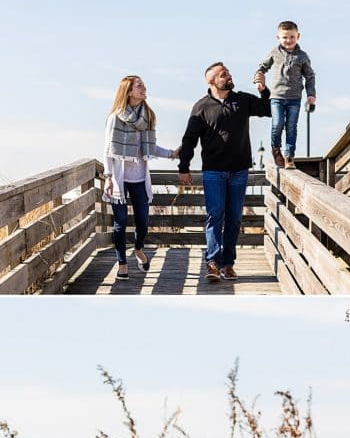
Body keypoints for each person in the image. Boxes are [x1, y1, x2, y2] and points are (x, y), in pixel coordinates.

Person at [176, 62, 270, 283]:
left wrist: (263, 90)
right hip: (213, 172)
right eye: (223, 74)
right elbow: (189, 140)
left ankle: (228, 265)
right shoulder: (201, 107)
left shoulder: (243, 100)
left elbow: (267, 110)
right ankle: (213, 262)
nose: (228, 76)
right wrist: (184, 167)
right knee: (215, 216)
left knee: (235, 218)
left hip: (239, 171)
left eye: (228, 72)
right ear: (211, 81)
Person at [102, 75, 180, 280]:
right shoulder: (115, 118)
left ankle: (138, 250)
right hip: (119, 179)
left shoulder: (147, 117)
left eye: (143, 85)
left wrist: (172, 153)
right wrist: (108, 177)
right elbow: (108, 150)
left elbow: (151, 148)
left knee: (143, 223)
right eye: (139, 86)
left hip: (139, 179)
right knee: (119, 223)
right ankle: (122, 264)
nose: (144, 88)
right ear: (128, 92)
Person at [254, 20, 317, 169]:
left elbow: (310, 76)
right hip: (276, 97)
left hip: (294, 98)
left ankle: (289, 156)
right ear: (278, 38)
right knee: (278, 124)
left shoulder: (302, 56)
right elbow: (262, 67)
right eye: (285, 37)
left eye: (292, 37)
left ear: (298, 36)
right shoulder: (274, 53)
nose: (288, 41)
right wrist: (258, 79)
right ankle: (276, 150)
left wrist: (311, 94)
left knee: (291, 127)